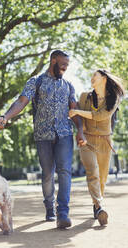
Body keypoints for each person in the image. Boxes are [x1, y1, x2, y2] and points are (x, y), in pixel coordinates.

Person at [0, 50, 86, 229]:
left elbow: (73, 109)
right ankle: (49, 206)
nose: (65, 68)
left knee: (65, 171)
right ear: (53, 60)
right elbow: (21, 101)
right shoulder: (36, 81)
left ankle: (63, 213)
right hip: (42, 135)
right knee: (47, 174)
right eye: (63, 64)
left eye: (67, 65)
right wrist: (5, 117)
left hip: (64, 134)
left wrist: (80, 130)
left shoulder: (68, 85)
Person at [69, 69, 124, 226]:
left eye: (95, 75)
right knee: (92, 172)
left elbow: (101, 116)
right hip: (88, 141)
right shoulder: (84, 96)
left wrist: (76, 111)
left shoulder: (114, 98)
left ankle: (96, 204)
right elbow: (80, 120)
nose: (92, 78)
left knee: (102, 179)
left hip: (105, 142)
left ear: (104, 78)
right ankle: (100, 207)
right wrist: (81, 133)